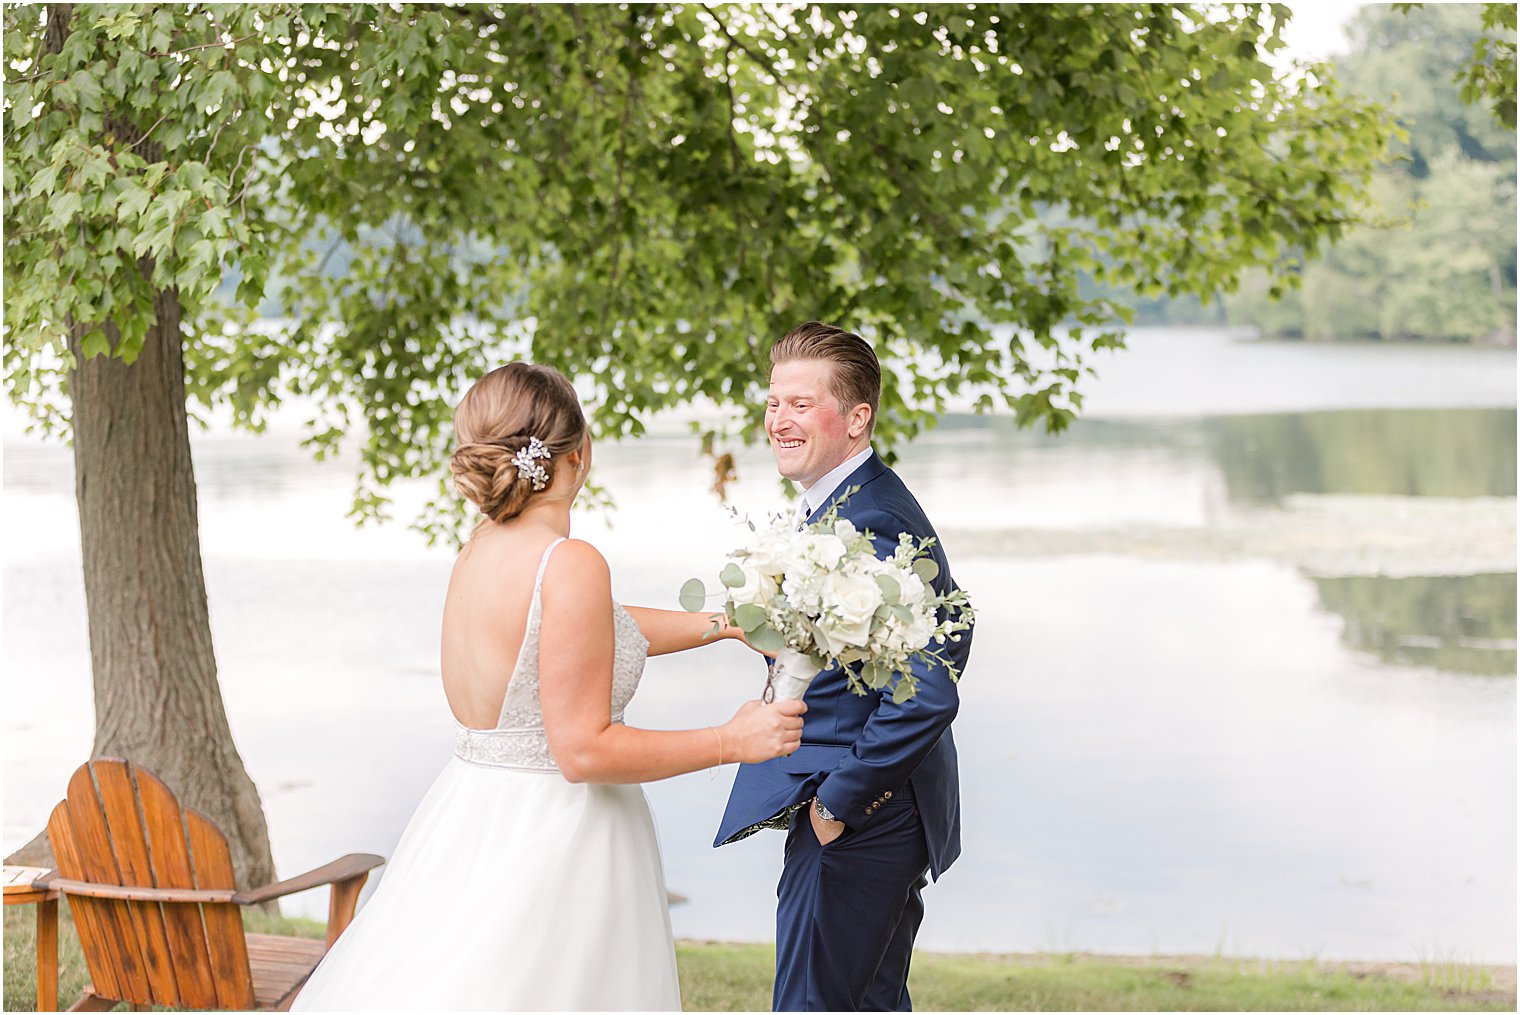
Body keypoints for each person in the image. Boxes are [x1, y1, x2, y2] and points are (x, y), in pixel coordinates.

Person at [293, 362, 805, 1011]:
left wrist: (725, 624)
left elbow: (589, 630)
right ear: (580, 452)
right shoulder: (570, 562)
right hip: (560, 838)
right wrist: (733, 739)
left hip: (474, 814)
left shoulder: (481, 548)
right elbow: (583, 750)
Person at [715, 322, 973, 1012]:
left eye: (801, 403)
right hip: (869, 807)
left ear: (857, 418)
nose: (779, 420)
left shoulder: (874, 519)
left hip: (864, 813)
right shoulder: (840, 507)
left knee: (812, 1004)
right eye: (774, 403)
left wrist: (839, 801)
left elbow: (929, 685)